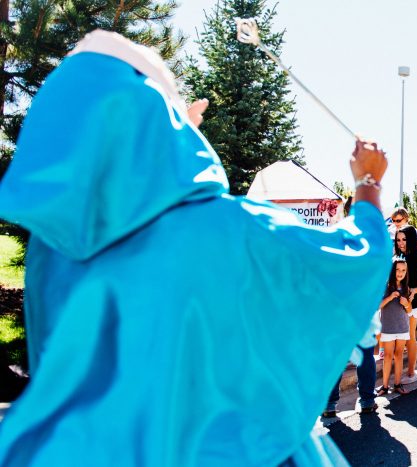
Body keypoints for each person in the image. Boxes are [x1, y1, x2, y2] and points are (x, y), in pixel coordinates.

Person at [0, 31, 392, 466]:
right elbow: (356, 259)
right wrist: (367, 183)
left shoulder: (49, 254)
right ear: (155, 117)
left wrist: (171, 138)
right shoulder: (227, 229)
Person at [394, 227, 417, 385]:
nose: (401, 243)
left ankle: (411, 373)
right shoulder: (397, 256)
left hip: (413, 303)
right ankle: (397, 375)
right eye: (398, 240)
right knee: (398, 339)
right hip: (396, 302)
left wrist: (413, 291)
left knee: (409, 337)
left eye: (404, 239)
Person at [376, 257, 412, 396]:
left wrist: (406, 304)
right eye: (397, 269)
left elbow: (409, 311)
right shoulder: (385, 286)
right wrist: (390, 297)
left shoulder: (406, 288)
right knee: (388, 356)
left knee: (398, 356)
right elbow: (377, 306)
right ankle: (384, 386)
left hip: (402, 326)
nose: (400, 273)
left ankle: (397, 384)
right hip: (388, 327)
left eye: (403, 270)